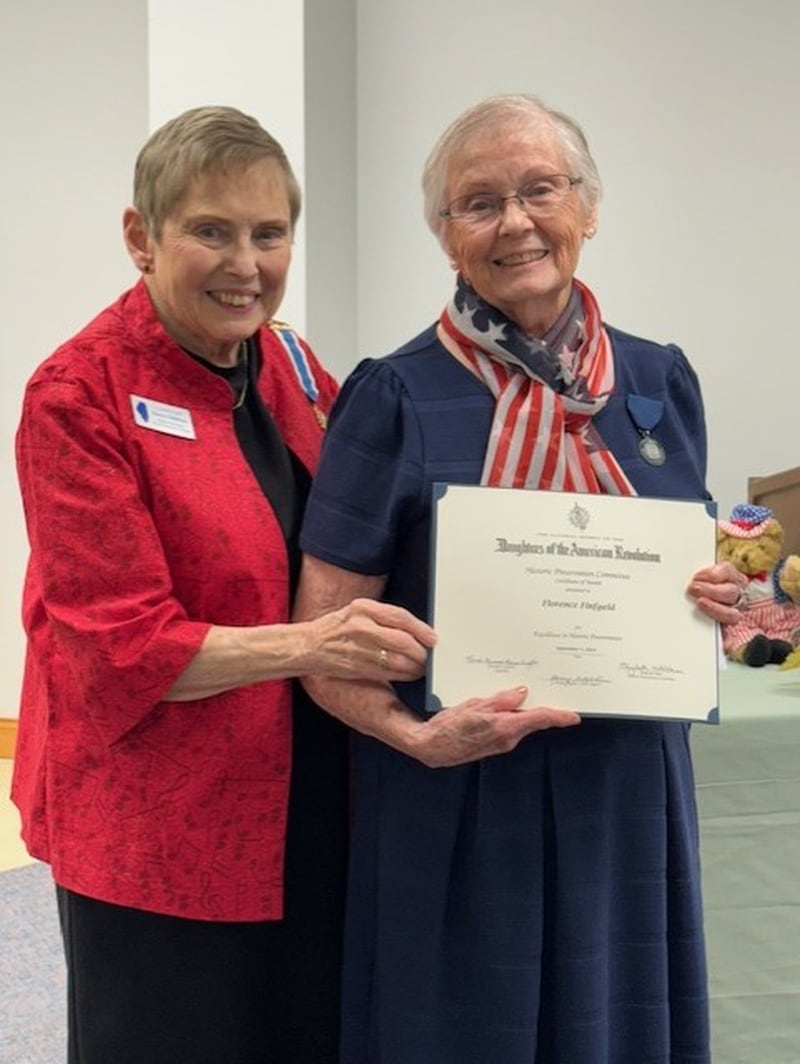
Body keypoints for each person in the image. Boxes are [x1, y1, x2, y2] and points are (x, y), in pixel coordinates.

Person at [293, 93, 747, 1063]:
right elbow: (320, 641)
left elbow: (688, 569)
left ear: (586, 206)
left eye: (539, 189)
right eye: (478, 202)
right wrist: (413, 735)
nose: (514, 222)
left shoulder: (661, 379)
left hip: (622, 799)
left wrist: (717, 597)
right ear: (445, 236)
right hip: (456, 797)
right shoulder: (393, 394)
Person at [12, 105, 435, 1064]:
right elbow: (120, 645)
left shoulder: (286, 360)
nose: (246, 262)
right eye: (211, 230)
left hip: (308, 798)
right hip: (157, 827)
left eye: (268, 233)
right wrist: (313, 646)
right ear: (140, 237)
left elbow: (385, 523)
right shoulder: (78, 396)